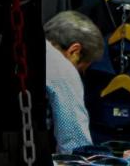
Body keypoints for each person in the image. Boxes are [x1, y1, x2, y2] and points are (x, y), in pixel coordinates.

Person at [44, 10, 104, 153]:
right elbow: (75, 146)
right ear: (74, 51)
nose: (78, 75)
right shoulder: (62, 68)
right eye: (80, 69)